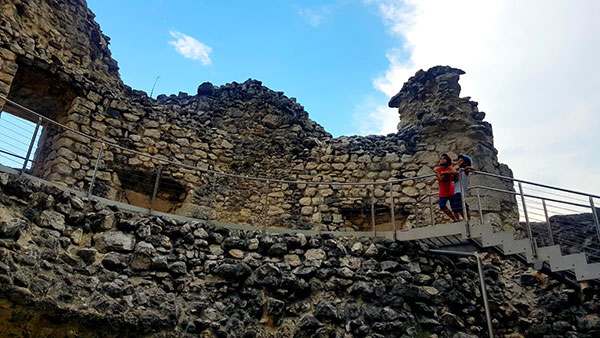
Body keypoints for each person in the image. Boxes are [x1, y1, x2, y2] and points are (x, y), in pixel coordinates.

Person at [452, 154, 476, 220]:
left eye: (461, 160)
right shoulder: (458, 171)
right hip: (456, 191)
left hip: (460, 191)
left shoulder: (464, 170)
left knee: (456, 207)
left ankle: (461, 220)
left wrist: (467, 168)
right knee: (461, 206)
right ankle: (467, 219)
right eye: (458, 160)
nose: (459, 161)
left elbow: (471, 169)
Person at [435, 154, 458, 222]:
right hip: (443, 191)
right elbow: (440, 179)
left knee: (454, 207)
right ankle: (454, 219)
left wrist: (445, 172)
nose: (442, 160)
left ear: (447, 160)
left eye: (444, 159)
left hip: (450, 190)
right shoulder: (438, 169)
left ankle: (458, 220)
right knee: (442, 205)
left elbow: (455, 172)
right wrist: (447, 173)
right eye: (441, 159)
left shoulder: (449, 167)